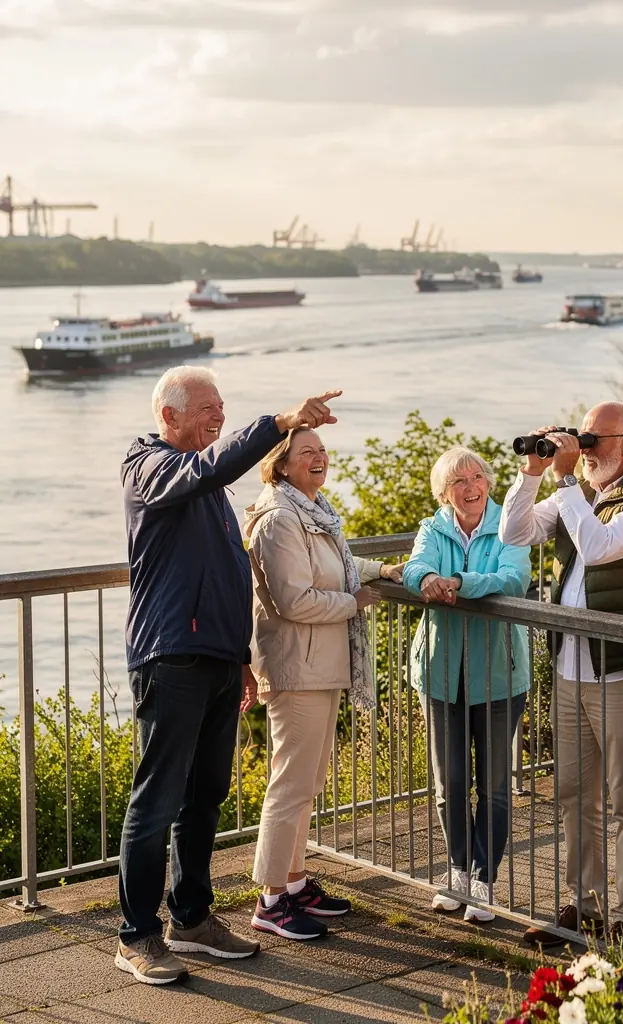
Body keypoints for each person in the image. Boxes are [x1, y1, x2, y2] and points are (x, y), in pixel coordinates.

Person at [117, 365, 343, 985]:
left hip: (217, 660)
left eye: (223, 408)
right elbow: (210, 466)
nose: (218, 416)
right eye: (208, 408)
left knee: (205, 794)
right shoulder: (149, 467)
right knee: (157, 799)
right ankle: (136, 935)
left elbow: (222, 579)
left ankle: (189, 920)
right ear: (169, 415)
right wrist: (278, 422)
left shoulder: (205, 488)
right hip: (171, 659)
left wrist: (241, 659)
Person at [499, 403, 623, 948]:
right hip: (572, 666)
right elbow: (513, 532)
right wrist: (532, 472)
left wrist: (565, 481)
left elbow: (599, 549)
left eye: (593, 442)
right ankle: (585, 906)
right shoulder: (578, 494)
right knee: (575, 794)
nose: (585, 451)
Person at [244, 428, 404, 940]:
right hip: (296, 667)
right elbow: (295, 600)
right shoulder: (278, 518)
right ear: (281, 464)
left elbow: (337, 568)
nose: (319, 458)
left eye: (321, 450)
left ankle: (294, 882)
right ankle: (270, 900)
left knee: (307, 783)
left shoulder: (311, 510)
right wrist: (357, 603)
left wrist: (384, 570)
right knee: (290, 785)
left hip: (318, 664)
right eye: (305, 452)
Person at [403, 447, 532, 923]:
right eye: (458, 481)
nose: (470, 486)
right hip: (439, 673)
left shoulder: (511, 524)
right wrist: (431, 577)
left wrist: (457, 582)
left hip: (499, 672)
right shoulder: (432, 528)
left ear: (489, 483)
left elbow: (515, 579)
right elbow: (415, 569)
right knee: (448, 783)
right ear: (444, 492)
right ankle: (457, 871)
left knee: (494, 786)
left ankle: (484, 879)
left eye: (477, 476)